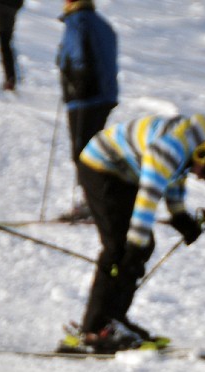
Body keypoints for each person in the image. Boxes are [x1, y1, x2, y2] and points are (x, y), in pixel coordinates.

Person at [57, 113, 205, 354]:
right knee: (119, 248)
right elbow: (148, 198)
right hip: (101, 166)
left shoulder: (200, 141)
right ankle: (95, 329)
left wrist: (179, 214)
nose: (198, 176)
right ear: (203, 154)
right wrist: (134, 247)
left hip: (125, 171)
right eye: (202, 172)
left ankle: (114, 320)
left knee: (136, 248)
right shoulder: (167, 151)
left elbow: (178, 171)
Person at [56, 0, 118, 222]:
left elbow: (78, 52)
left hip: (84, 97)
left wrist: (75, 79)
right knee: (95, 150)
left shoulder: (77, 21)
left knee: (82, 153)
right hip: (104, 95)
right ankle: (102, 201)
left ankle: (92, 204)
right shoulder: (103, 24)